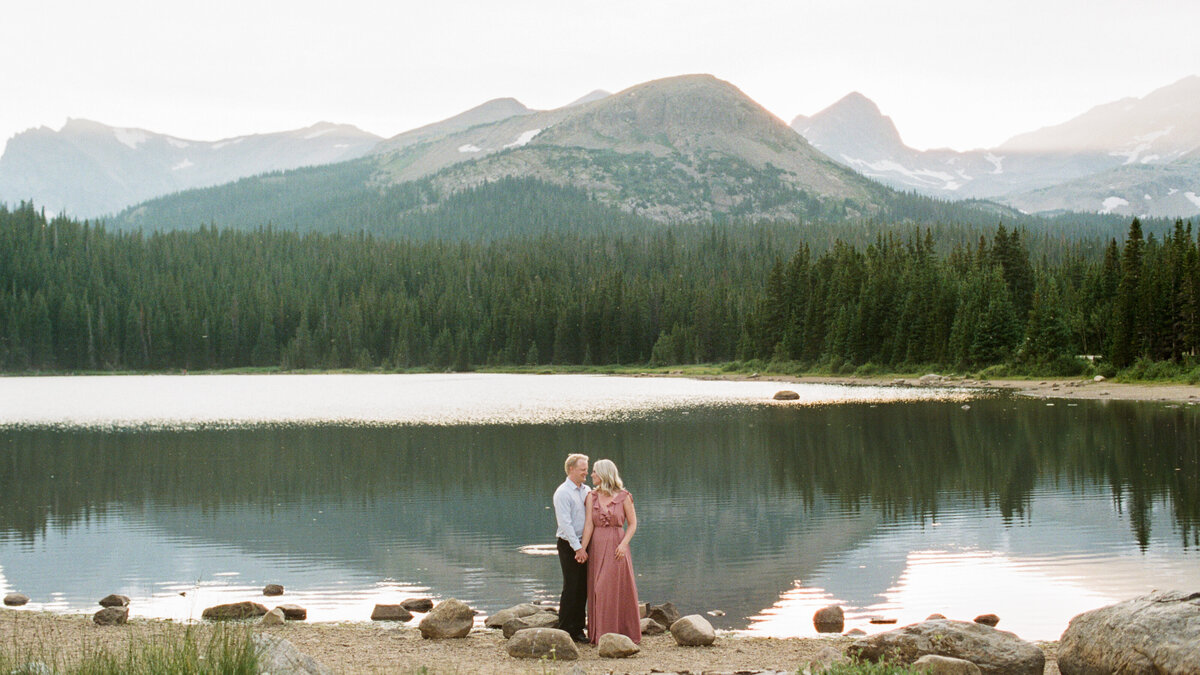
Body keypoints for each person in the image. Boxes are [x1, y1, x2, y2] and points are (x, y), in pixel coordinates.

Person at [579, 458, 640, 644]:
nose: (591, 475)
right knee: (599, 588)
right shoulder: (592, 496)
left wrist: (623, 544)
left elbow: (633, 523)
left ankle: (622, 632)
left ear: (604, 474)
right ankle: (601, 635)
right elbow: (589, 524)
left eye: (595, 472)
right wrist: (582, 548)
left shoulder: (624, 496)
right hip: (597, 544)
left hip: (617, 545)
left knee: (613, 587)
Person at [553, 453, 591, 643]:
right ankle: (565, 629)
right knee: (571, 586)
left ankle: (578, 629)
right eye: (582, 468)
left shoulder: (587, 490)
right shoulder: (562, 492)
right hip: (569, 545)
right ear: (571, 469)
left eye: (586, 468)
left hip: (584, 544)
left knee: (583, 587)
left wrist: (585, 547)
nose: (586, 471)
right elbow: (565, 524)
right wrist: (578, 549)